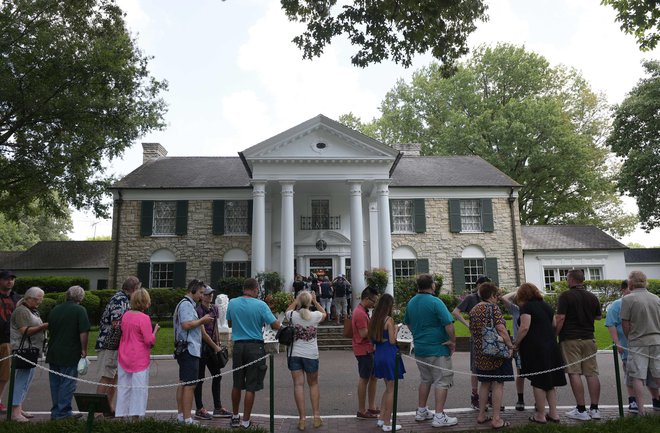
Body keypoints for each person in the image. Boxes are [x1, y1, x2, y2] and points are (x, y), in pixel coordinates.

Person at [404, 273, 458, 428]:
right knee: (442, 381)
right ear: (432, 285)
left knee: (425, 379)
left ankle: (421, 411)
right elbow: (449, 324)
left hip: (420, 348)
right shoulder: (436, 302)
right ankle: (439, 415)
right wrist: (453, 341)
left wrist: (418, 334)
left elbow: (408, 323)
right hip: (437, 348)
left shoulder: (412, 302)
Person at [227, 277, 281, 429]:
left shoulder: (232, 302)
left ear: (244, 288)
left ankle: (235, 416)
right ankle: (245, 421)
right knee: (251, 386)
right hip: (255, 347)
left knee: (237, 384)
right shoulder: (261, 304)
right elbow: (275, 324)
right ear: (255, 289)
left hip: (238, 346)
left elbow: (230, 323)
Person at [512, 283, 566, 424]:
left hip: (535, 348)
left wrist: (516, 344)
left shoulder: (526, 307)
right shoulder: (546, 306)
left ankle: (540, 415)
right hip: (551, 346)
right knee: (550, 382)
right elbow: (554, 324)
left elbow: (524, 327)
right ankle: (554, 414)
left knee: (538, 382)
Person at [605, 279, 659, 413]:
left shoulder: (646, 300)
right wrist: (617, 343)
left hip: (645, 344)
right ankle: (633, 400)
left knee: (652, 373)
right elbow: (611, 324)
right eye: (629, 289)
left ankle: (656, 399)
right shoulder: (617, 305)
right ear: (624, 290)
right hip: (629, 346)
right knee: (632, 374)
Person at [555, 269, 602, 421]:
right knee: (591, 373)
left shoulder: (565, 296)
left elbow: (561, 317)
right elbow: (598, 316)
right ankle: (595, 409)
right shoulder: (592, 297)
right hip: (589, 338)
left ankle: (581, 409)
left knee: (574, 372)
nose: (566, 281)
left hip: (570, 338)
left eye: (567, 278)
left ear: (572, 280)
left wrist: (554, 334)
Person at [469, 282, 514, 429]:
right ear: (493, 296)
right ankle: (496, 419)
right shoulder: (492, 308)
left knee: (484, 383)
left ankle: (481, 415)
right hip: (495, 354)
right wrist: (510, 345)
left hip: (480, 352)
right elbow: (501, 328)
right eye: (497, 296)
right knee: (498, 384)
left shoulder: (474, 309)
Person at [95, 276, 141, 414]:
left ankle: (108, 408)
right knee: (107, 376)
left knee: (114, 377)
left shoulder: (125, 300)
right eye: (138, 288)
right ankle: (97, 412)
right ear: (133, 289)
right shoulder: (119, 300)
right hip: (110, 344)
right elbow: (116, 323)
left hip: (117, 345)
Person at [46, 285, 90, 420]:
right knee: (68, 383)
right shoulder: (80, 310)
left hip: (53, 351)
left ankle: (56, 412)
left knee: (55, 384)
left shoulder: (55, 309)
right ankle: (63, 412)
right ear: (81, 297)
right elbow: (83, 331)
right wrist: (84, 349)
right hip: (70, 352)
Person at [174, 279, 214, 425]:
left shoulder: (186, 304)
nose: (202, 296)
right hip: (189, 349)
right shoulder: (186, 305)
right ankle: (187, 418)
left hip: (186, 349)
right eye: (201, 293)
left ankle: (181, 416)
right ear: (192, 291)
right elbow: (186, 325)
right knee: (190, 385)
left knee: (184, 383)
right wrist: (202, 320)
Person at [620, 271, 660, 415]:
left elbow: (625, 323)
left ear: (631, 283)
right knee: (658, 373)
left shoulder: (628, 299)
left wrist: (629, 338)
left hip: (637, 342)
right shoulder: (656, 298)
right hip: (656, 340)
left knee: (637, 376)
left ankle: (641, 410)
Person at [285, 290, 326, 430]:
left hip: (295, 354)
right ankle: (316, 417)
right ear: (309, 303)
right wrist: (315, 301)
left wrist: (297, 300)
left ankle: (302, 419)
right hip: (311, 355)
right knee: (313, 384)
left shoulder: (292, 315)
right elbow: (325, 314)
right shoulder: (315, 316)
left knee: (298, 385)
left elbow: (288, 310)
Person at [116, 288, 159, 419]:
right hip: (139, 358)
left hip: (124, 355)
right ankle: (136, 417)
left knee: (123, 388)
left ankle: (121, 416)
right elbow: (149, 340)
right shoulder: (144, 318)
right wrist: (155, 331)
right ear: (146, 302)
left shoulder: (126, 315)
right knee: (139, 389)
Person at [451, 275, 492, 409]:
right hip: (476, 338)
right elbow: (456, 312)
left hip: (489, 337)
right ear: (478, 285)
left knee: (490, 366)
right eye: (484, 284)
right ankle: (475, 397)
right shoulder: (471, 298)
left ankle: (489, 397)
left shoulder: (490, 298)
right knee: (475, 368)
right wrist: (467, 324)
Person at [9, 287, 47, 422]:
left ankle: (18, 407)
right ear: (30, 298)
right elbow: (25, 331)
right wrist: (44, 326)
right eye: (38, 299)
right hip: (23, 350)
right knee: (21, 381)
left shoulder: (31, 310)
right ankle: (15, 412)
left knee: (26, 380)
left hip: (30, 351)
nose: (40, 302)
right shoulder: (21, 311)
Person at [369, 293, 405, 432]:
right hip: (389, 354)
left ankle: (381, 418)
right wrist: (396, 329)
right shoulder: (388, 320)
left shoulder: (374, 319)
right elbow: (392, 340)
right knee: (391, 390)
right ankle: (387, 422)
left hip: (379, 353)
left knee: (387, 388)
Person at [194, 285, 231, 420]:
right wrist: (215, 347)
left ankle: (218, 407)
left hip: (213, 346)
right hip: (202, 348)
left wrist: (218, 343)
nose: (210, 296)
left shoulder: (214, 308)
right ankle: (199, 409)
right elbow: (202, 333)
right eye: (208, 294)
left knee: (217, 375)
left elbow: (215, 327)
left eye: (211, 294)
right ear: (202, 296)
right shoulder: (198, 310)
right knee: (200, 379)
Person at [352, 285, 380, 420]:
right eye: (374, 301)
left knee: (373, 378)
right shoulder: (360, 313)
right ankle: (362, 410)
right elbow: (364, 333)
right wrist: (377, 327)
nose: (374, 304)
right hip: (364, 350)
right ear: (367, 299)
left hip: (368, 349)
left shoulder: (362, 311)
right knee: (364, 379)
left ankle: (372, 406)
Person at [500, 289, 526, 411]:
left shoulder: (532, 308)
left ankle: (539, 400)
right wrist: (517, 290)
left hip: (530, 344)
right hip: (518, 344)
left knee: (536, 373)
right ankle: (520, 399)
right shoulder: (515, 309)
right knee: (520, 373)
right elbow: (504, 298)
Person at [0, 269, 21, 412]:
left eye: (12, 279)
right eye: (7, 278)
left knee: (4, 374)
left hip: (8, 340)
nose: (10, 281)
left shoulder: (16, 298)